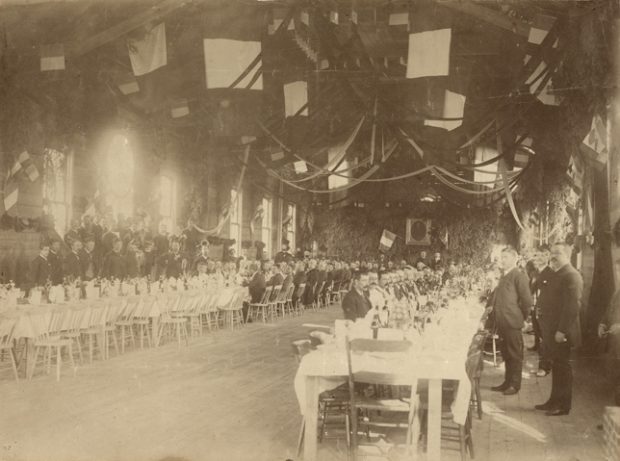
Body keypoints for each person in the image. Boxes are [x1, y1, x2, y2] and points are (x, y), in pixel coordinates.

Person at [535, 243, 583, 416]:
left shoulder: (571, 275)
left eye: (558, 253)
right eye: (552, 253)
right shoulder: (556, 273)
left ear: (567, 255)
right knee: (557, 366)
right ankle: (553, 401)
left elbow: (572, 308)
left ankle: (563, 406)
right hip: (553, 330)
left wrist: (561, 330)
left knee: (563, 368)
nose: (553, 256)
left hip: (562, 332)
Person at [490, 247, 533, 395]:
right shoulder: (504, 275)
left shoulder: (518, 276)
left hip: (512, 322)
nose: (503, 260)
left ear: (515, 259)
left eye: (506, 257)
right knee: (506, 353)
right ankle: (507, 382)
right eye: (502, 257)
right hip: (502, 322)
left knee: (515, 354)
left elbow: (527, 301)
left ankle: (515, 385)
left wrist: (521, 318)